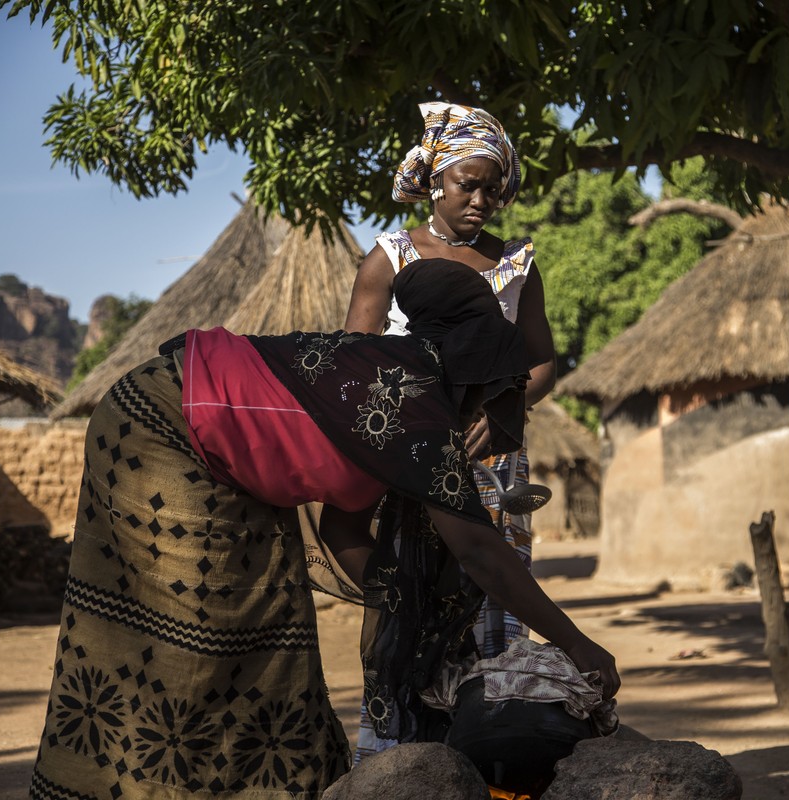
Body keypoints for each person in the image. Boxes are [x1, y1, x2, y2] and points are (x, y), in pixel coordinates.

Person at [30, 258, 618, 800]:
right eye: (490, 379)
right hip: (162, 424)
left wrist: (406, 606)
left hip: (208, 445)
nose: (488, 399)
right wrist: (577, 644)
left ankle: (283, 786)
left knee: (276, 618)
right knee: (202, 636)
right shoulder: (413, 402)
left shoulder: (395, 377)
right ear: (470, 361)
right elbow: (481, 553)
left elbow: (343, 529)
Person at [344, 102, 557, 753]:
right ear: (435, 180)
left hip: (494, 473)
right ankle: (397, 765)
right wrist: (414, 426)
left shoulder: (516, 263)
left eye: (494, 187)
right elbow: (353, 361)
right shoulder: (390, 257)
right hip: (413, 468)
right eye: (470, 184)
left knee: (496, 605)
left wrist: (502, 412)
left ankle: (491, 757)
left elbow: (542, 361)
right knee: (414, 603)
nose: (483, 199)